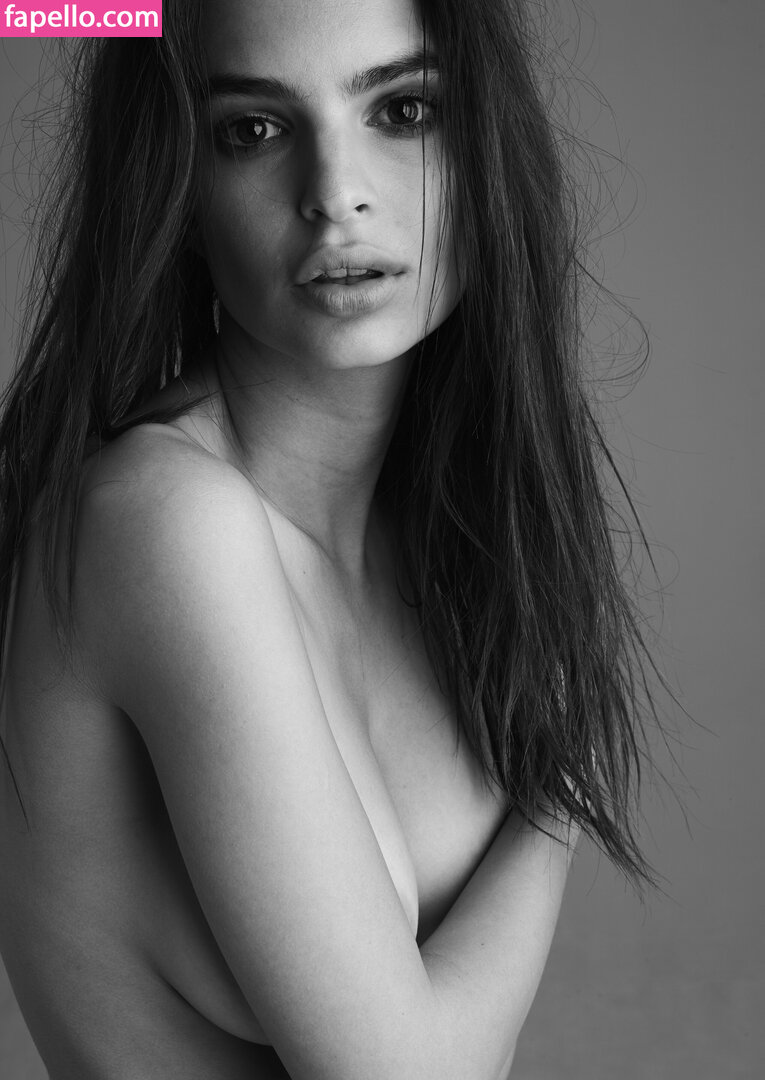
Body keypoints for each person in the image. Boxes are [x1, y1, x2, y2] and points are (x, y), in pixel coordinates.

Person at [0, 0, 661, 1077]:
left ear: (487, 145)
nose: (336, 194)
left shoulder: (441, 529)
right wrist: (557, 797)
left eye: (403, 110)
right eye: (253, 130)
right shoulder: (165, 522)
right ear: (178, 185)